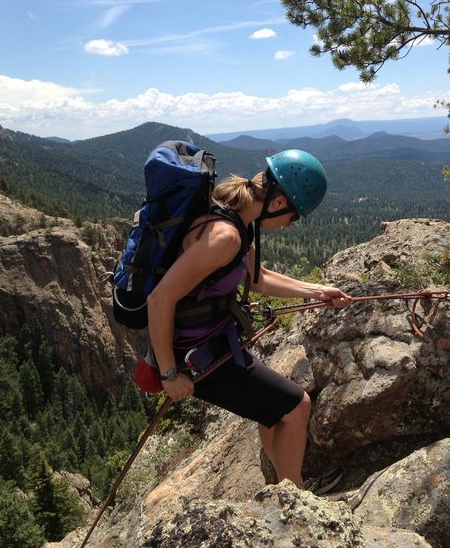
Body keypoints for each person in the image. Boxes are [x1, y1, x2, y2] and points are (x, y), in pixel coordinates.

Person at [146, 149, 351, 490]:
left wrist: (318, 291)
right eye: (294, 215)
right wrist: (169, 373)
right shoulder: (225, 236)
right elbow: (159, 299)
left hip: (210, 342)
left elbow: (257, 277)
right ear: (277, 201)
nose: (289, 224)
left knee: (274, 412)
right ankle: (294, 499)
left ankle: (284, 488)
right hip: (195, 357)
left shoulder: (237, 220)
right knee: (296, 406)